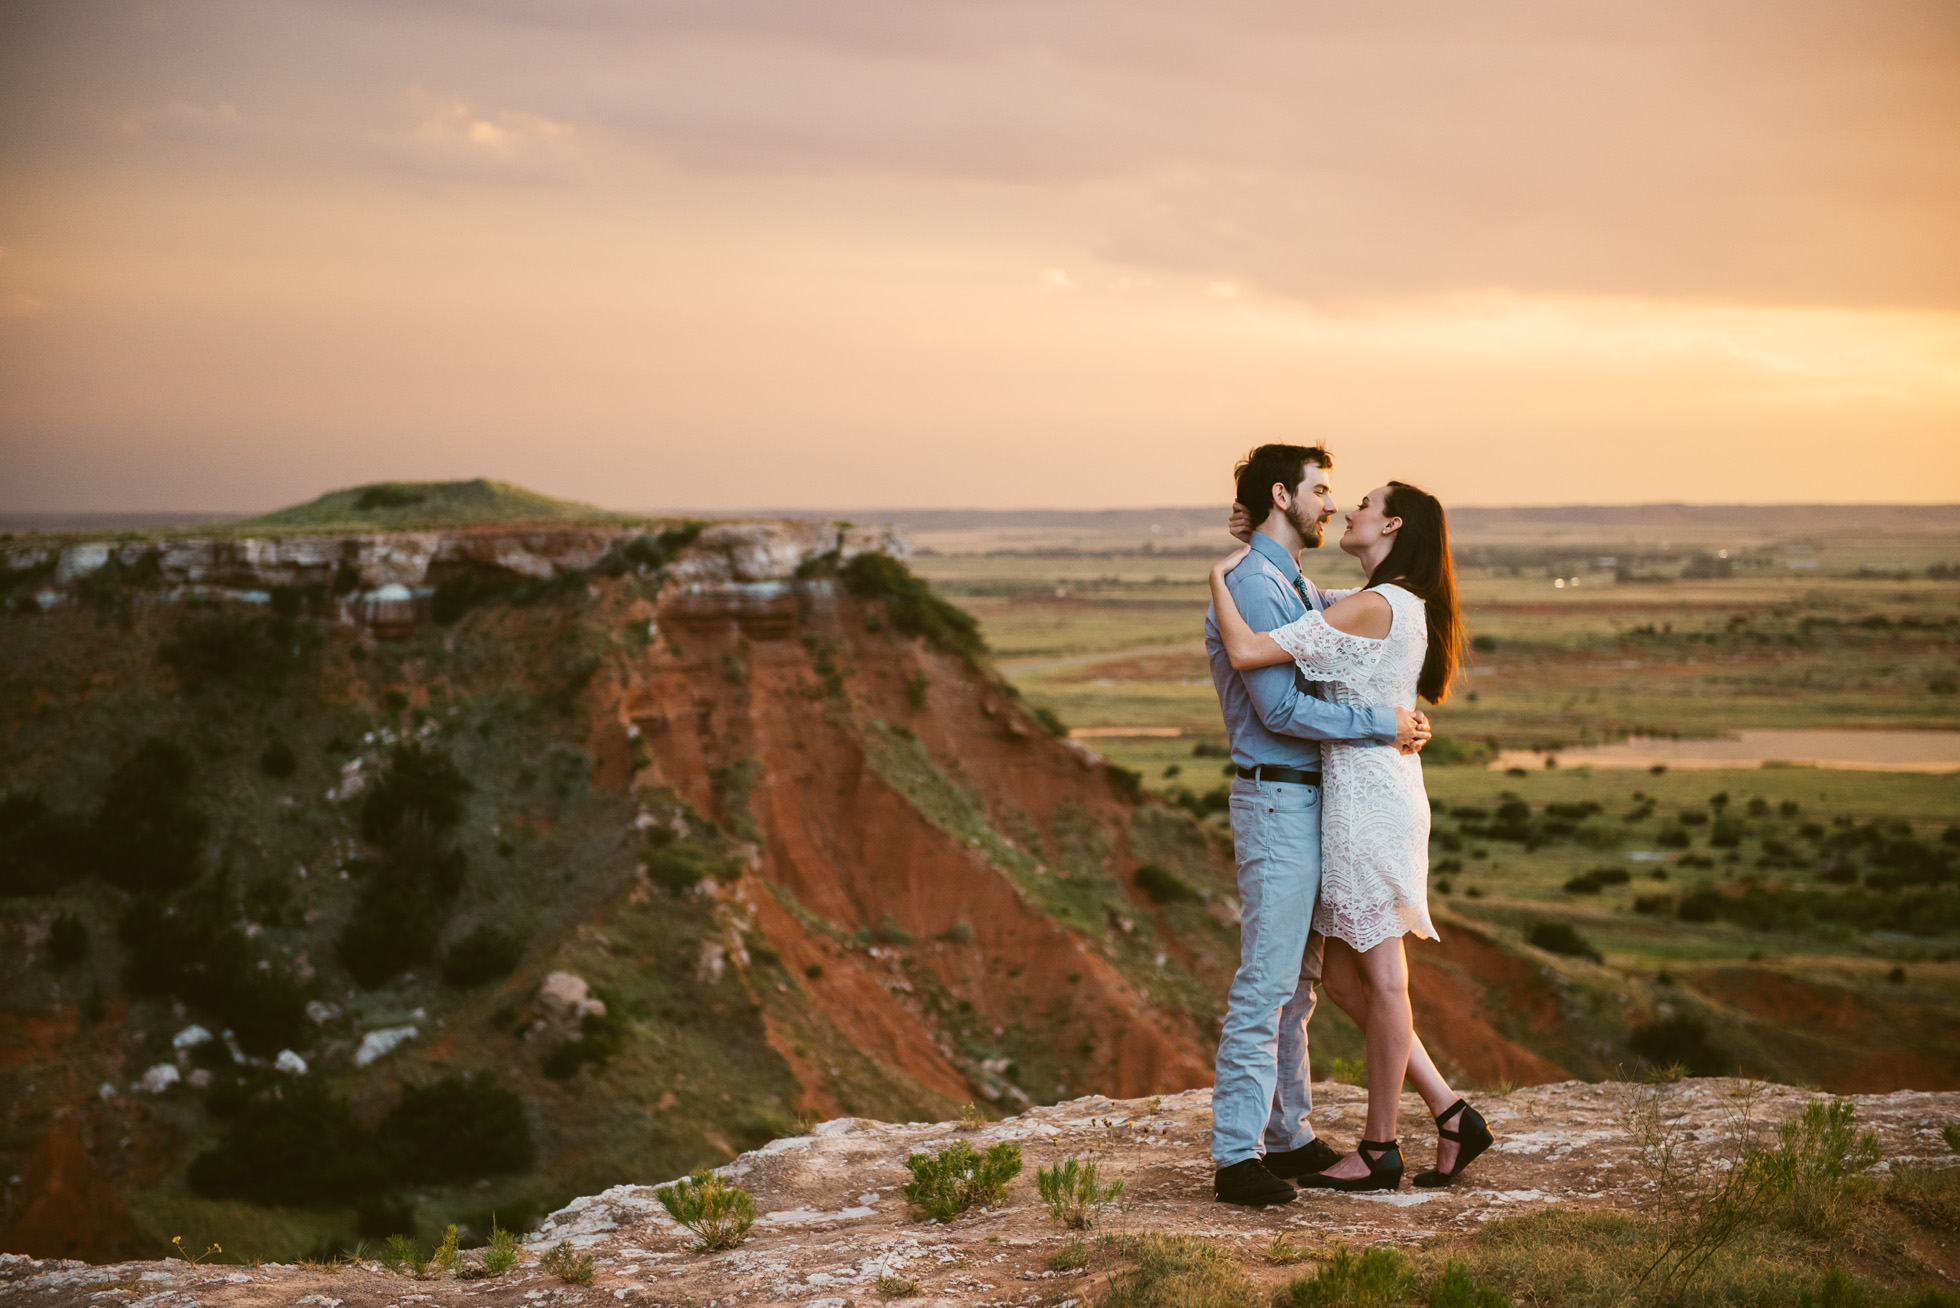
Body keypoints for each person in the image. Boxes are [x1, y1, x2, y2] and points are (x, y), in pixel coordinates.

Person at [1210, 478, 1495, 1193]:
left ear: (1392, 523)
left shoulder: (1377, 604)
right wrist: (1255, 541)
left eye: (1363, 503)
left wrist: (1219, 574)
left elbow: (1248, 651)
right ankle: (1450, 1110)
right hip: (1355, 797)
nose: (1348, 509)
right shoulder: (1371, 601)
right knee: (1340, 978)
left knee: (1383, 978)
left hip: (1369, 802)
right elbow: (1306, 594)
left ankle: (1379, 1148)